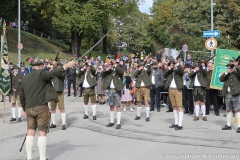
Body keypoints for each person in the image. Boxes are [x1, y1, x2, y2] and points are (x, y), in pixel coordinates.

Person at [19, 58, 76, 160]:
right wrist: (66, 66)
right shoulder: (42, 73)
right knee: (42, 132)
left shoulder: (25, 78)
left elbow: (22, 95)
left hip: (29, 108)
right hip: (41, 107)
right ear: (41, 66)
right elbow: (52, 74)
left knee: (30, 131)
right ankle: (42, 158)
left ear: (32, 67)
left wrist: (24, 109)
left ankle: (29, 158)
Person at [102, 58, 124, 129]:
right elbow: (102, 74)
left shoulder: (118, 69)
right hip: (111, 90)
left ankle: (118, 123)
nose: (111, 63)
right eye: (111, 63)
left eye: (112, 62)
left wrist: (115, 65)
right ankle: (111, 122)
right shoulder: (109, 71)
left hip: (117, 90)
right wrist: (107, 68)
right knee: (111, 106)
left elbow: (122, 72)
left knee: (118, 106)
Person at [164, 59, 184, 130]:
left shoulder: (178, 71)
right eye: (171, 64)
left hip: (177, 89)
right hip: (171, 89)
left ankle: (180, 124)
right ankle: (176, 123)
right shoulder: (170, 71)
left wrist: (177, 64)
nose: (173, 65)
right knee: (174, 106)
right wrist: (169, 67)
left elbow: (182, 72)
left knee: (179, 106)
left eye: (173, 64)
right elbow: (164, 74)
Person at [220, 62, 240, 133]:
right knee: (228, 110)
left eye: (230, 67)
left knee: (237, 110)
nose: (229, 68)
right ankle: (228, 125)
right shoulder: (227, 74)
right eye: (228, 67)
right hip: (228, 94)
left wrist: (236, 68)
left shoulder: (237, 72)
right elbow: (221, 79)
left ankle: (239, 126)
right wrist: (226, 72)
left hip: (236, 93)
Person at [49, 61, 67, 130]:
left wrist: (55, 69)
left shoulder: (62, 72)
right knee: (52, 108)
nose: (58, 67)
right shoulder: (52, 70)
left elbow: (61, 76)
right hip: (52, 91)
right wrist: (50, 70)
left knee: (61, 108)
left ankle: (63, 123)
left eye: (59, 66)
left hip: (59, 91)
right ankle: (53, 123)